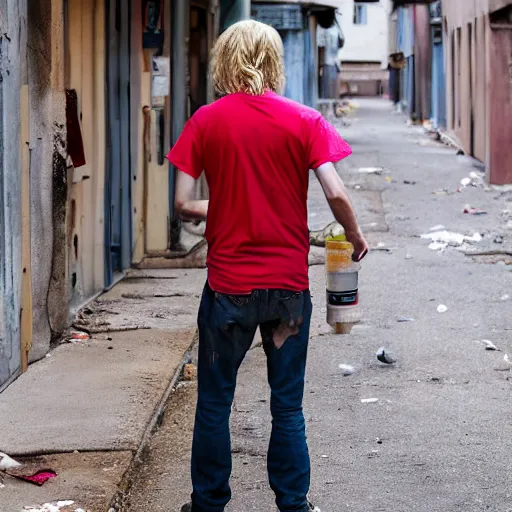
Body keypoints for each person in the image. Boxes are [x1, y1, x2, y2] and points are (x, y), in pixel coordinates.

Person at [167, 19, 368, 512]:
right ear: (273, 61)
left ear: (226, 60)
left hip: (229, 288)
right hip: (286, 289)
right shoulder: (304, 120)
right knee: (287, 405)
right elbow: (336, 191)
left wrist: (232, 205)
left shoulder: (206, 120)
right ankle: (293, 504)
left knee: (215, 403)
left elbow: (183, 204)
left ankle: (209, 504)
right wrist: (356, 235)